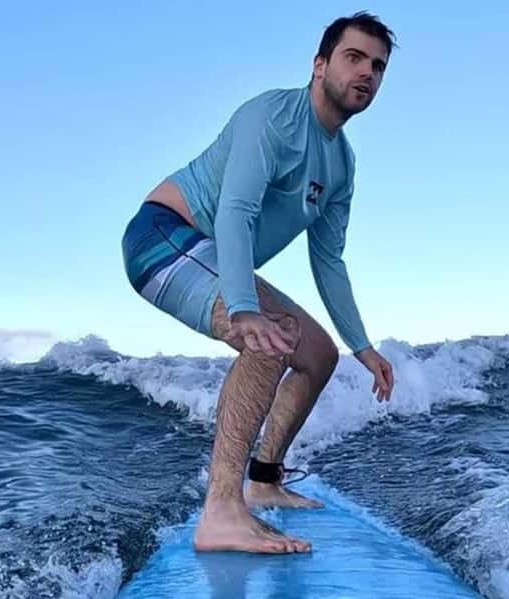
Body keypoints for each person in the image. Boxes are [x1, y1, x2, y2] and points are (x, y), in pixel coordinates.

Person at [121, 11, 397, 554]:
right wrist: (245, 308)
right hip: (163, 237)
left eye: (378, 66)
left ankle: (265, 479)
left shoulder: (341, 163)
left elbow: (330, 261)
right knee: (270, 335)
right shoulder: (273, 116)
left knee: (318, 354)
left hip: (218, 254)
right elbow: (237, 210)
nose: (367, 72)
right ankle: (222, 511)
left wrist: (361, 346)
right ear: (319, 65)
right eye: (354, 57)